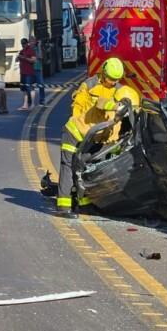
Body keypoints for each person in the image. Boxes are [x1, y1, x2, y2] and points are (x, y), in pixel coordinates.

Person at [57, 57, 125, 217]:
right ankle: (63, 206)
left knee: (84, 168)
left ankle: (84, 204)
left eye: (116, 80)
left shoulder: (118, 90)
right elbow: (92, 105)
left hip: (91, 136)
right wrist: (115, 107)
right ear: (103, 72)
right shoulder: (89, 86)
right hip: (76, 132)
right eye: (110, 79)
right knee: (69, 166)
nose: (113, 82)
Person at [18, 38, 38, 111]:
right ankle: (25, 104)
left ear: (27, 43)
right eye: (22, 44)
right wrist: (19, 57)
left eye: (24, 43)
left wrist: (25, 58)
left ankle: (32, 104)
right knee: (24, 89)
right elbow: (18, 58)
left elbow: (34, 60)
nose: (23, 45)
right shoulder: (22, 51)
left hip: (29, 72)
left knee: (31, 88)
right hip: (23, 72)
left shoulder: (30, 50)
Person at [30, 36, 46, 107]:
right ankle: (31, 100)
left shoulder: (37, 48)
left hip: (38, 68)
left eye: (33, 41)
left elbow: (41, 56)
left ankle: (42, 100)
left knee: (41, 84)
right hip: (31, 69)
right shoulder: (29, 49)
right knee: (30, 85)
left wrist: (39, 46)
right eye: (31, 41)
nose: (32, 43)